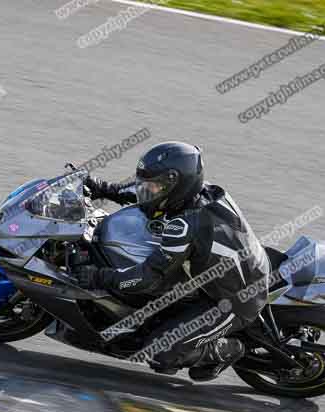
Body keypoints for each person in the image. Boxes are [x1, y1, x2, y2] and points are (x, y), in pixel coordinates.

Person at [73, 141, 270, 381]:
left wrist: (98, 276)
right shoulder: (203, 190)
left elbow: (147, 278)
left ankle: (229, 350)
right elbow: (141, 195)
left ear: (176, 184)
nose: (146, 190)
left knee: (160, 352)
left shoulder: (185, 225)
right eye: (146, 184)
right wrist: (101, 187)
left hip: (236, 300)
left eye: (153, 186)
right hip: (233, 271)